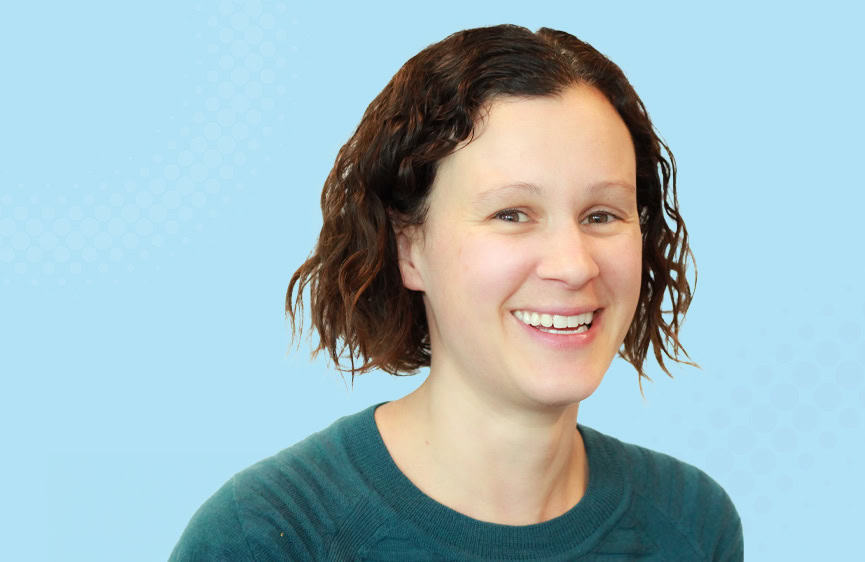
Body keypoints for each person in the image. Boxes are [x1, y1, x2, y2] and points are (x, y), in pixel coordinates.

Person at [170, 24, 743, 561]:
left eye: (601, 214)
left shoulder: (692, 525)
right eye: (512, 213)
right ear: (409, 249)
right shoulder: (266, 537)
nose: (573, 266)